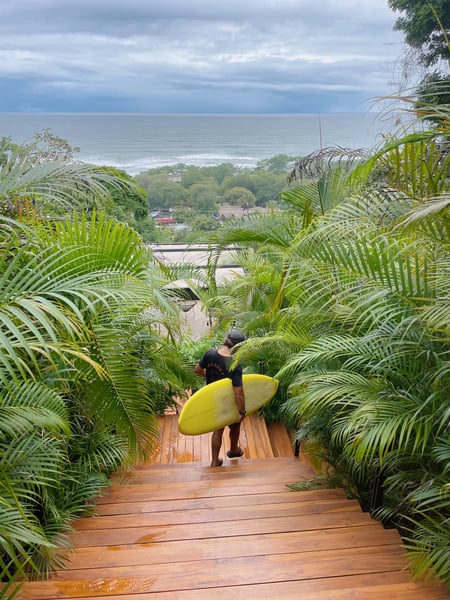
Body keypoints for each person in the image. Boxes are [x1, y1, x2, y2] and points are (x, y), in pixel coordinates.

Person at [194, 329, 247, 467]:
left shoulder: (210, 354)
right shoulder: (234, 364)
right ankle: (233, 450)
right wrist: (242, 411)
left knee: (218, 429)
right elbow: (239, 392)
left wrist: (212, 376)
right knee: (235, 424)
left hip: (213, 398)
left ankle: (215, 461)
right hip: (228, 401)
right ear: (238, 347)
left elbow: (197, 370)